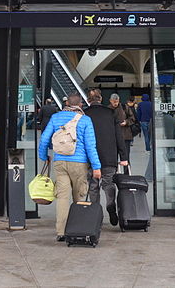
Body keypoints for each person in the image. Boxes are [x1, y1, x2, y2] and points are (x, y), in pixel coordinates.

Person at [38, 93, 101, 242]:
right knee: (79, 197)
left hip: (60, 162)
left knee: (62, 198)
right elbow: (90, 146)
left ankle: (61, 231)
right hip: (79, 163)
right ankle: (77, 229)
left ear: (66, 103)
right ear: (80, 105)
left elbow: (45, 139)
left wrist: (43, 156)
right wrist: (97, 167)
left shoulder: (55, 118)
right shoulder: (85, 120)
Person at [84, 89, 128, 226]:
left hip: (91, 157)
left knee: (93, 186)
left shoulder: (85, 114)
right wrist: (124, 156)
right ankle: (110, 205)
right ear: (101, 99)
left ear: (88, 100)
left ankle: (95, 213)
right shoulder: (110, 113)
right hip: (109, 156)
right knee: (108, 184)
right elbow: (118, 136)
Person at [110, 93, 135, 162]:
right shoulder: (108, 109)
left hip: (125, 136)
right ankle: (114, 171)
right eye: (114, 102)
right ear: (110, 101)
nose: (115, 103)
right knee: (113, 158)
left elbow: (132, 118)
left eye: (117, 101)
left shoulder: (124, 107)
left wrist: (126, 122)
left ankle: (126, 172)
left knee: (126, 157)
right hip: (113, 137)